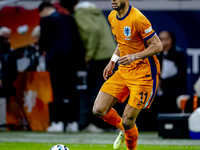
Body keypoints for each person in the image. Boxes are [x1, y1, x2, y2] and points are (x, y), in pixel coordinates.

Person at [91, 0, 163, 150]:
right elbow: (122, 41)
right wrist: (112, 60)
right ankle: (124, 131)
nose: (113, 0)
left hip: (143, 74)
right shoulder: (112, 16)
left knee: (128, 120)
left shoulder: (138, 18)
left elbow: (158, 45)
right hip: (124, 70)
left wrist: (134, 56)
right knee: (98, 109)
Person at [60, 0, 117, 132]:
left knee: (98, 91)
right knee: (110, 90)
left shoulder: (80, 13)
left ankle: (96, 124)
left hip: (99, 55)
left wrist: (88, 55)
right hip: (110, 52)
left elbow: (93, 31)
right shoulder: (94, 10)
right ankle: (111, 124)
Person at [38, 2, 85, 132]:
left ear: (42, 11)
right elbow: (77, 40)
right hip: (72, 59)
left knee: (57, 89)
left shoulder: (45, 20)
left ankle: (57, 122)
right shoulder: (69, 18)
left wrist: (41, 50)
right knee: (72, 90)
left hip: (55, 59)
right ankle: (73, 123)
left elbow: (43, 41)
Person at [157, 31, 187, 113]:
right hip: (161, 97)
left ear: (172, 40)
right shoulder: (158, 56)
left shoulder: (179, 55)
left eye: (166, 39)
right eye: (161, 40)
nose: (163, 43)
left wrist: (162, 83)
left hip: (175, 96)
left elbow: (181, 77)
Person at [0, 26, 18, 98]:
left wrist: (3, 80)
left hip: (7, 90)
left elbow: (14, 73)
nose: (8, 41)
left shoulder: (11, 53)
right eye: (5, 39)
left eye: (8, 38)